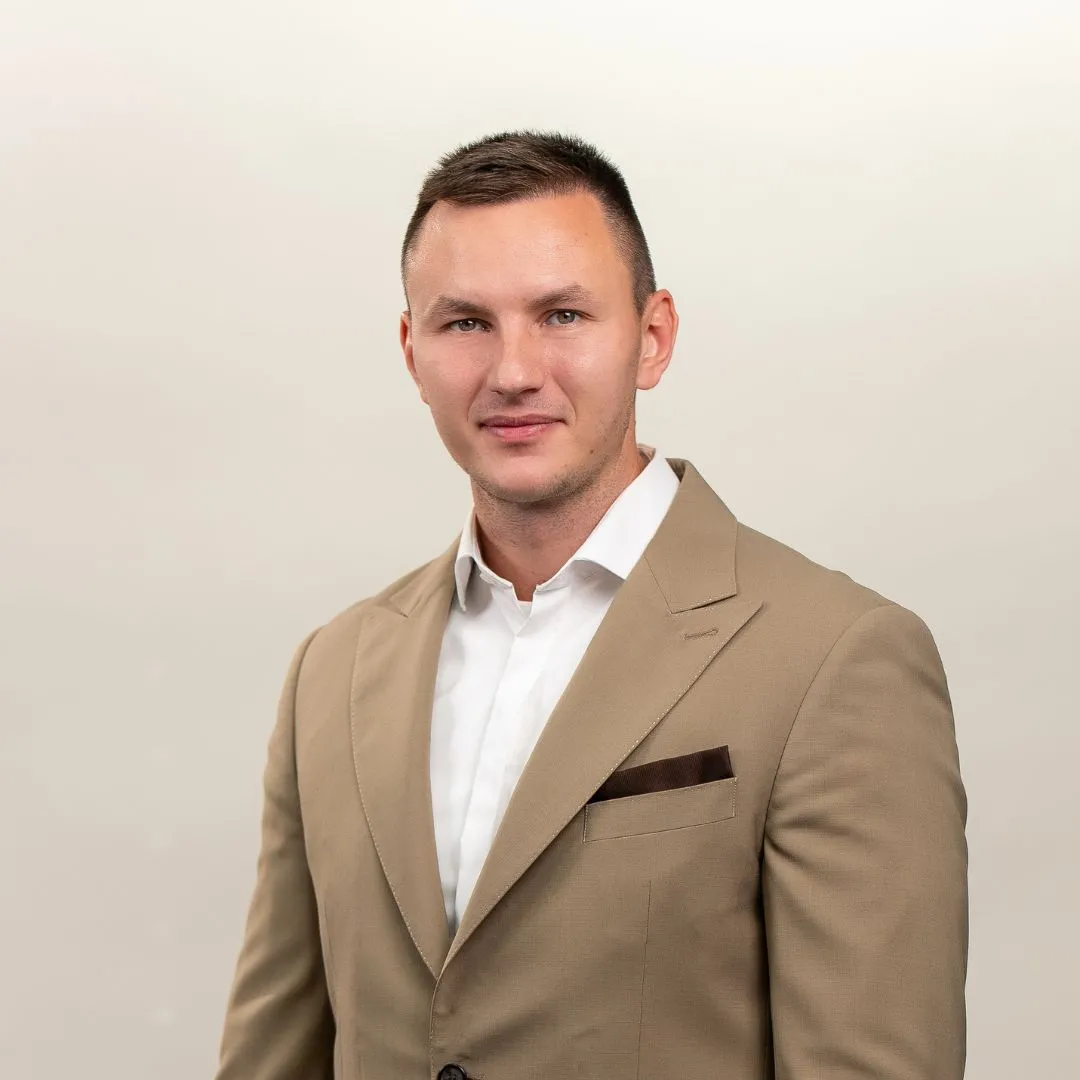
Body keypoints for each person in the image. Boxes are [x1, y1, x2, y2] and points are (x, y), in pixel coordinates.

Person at [214, 131, 968, 1080]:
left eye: (562, 314)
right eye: (464, 323)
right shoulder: (331, 670)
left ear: (652, 338)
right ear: (412, 351)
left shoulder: (836, 657)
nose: (514, 371)